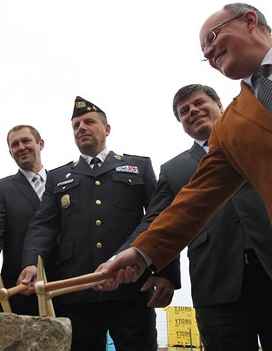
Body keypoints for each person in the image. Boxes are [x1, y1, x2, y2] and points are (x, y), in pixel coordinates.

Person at [96, 3, 272, 351]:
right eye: (204, 53)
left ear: (249, 20)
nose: (209, 52)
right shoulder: (232, 128)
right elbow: (194, 200)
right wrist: (141, 253)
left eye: (211, 38)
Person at [123, 84, 272, 350]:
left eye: (199, 103)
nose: (193, 111)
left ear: (219, 104)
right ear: (183, 126)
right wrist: (125, 256)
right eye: (184, 111)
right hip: (217, 286)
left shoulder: (258, 139)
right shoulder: (174, 169)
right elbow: (156, 220)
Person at [18, 96, 179, 351]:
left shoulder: (138, 166)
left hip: (131, 288)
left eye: (88, 122)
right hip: (75, 290)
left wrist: (166, 273)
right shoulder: (59, 177)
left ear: (107, 129)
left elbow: (160, 219)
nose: (81, 127)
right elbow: (43, 226)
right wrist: (32, 263)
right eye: (75, 125)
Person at [0, 125, 47, 315]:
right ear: (10, 153)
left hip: (64, 285)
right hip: (20, 288)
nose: (21, 147)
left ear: (41, 144)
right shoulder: (1, 189)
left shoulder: (63, 182)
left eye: (26, 141)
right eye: (15, 144)